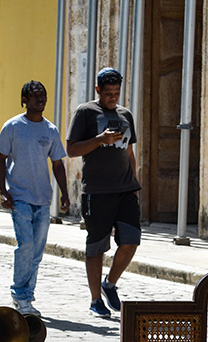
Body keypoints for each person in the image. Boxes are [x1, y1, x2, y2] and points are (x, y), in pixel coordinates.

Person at [66, 67, 141, 318]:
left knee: (131, 241)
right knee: (96, 247)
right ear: (98, 90)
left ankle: (110, 284)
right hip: (97, 191)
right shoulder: (85, 112)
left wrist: (135, 180)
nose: (113, 97)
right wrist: (100, 140)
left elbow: (129, 153)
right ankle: (95, 299)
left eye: (116, 93)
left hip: (126, 190)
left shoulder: (125, 114)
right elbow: (72, 149)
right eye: (108, 93)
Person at [0, 80, 70, 317]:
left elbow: (57, 164)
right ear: (24, 99)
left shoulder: (50, 130)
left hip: (42, 199)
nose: (41, 99)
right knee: (25, 245)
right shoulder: (13, 126)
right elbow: (0, 159)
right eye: (35, 95)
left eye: (43, 95)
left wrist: (65, 194)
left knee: (37, 250)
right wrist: (3, 191)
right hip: (19, 197)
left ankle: (28, 293)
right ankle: (19, 294)